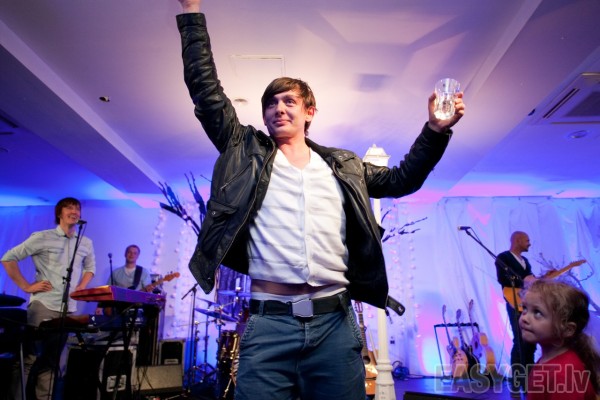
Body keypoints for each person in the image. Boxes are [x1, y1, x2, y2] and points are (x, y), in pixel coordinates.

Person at [174, 1, 465, 399]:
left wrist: (435, 130)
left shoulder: (343, 166)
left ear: (309, 112)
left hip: (334, 325)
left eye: (288, 101)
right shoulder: (245, 151)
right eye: (271, 103)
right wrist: (191, 11)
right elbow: (207, 94)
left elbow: (402, 179)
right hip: (269, 324)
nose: (278, 109)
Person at [1, 197, 95, 399]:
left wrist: (81, 286)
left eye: (77, 208)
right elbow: (8, 258)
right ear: (59, 213)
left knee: (52, 361)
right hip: (43, 305)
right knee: (30, 357)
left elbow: (90, 268)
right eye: (69, 208)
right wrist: (26, 286)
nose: (74, 211)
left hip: (67, 308)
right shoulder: (42, 237)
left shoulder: (85, 242)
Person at [519, 279, 599, 399]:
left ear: (567, 329)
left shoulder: (564, 375)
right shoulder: (548, 360)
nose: (524, 318)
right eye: (524, 308)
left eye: (537, 313)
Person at [495, 231, 538, 393]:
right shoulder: (504, 257)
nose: (529, 243)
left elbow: (530, 279)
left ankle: (529, 379)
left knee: (530, 340)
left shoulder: (525, 261)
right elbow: (503, 279)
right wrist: (524, 280)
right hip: (514, 303)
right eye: (527, 240)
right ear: (518, 240)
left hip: (527, 303)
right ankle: (519, 380)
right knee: (520, 340)